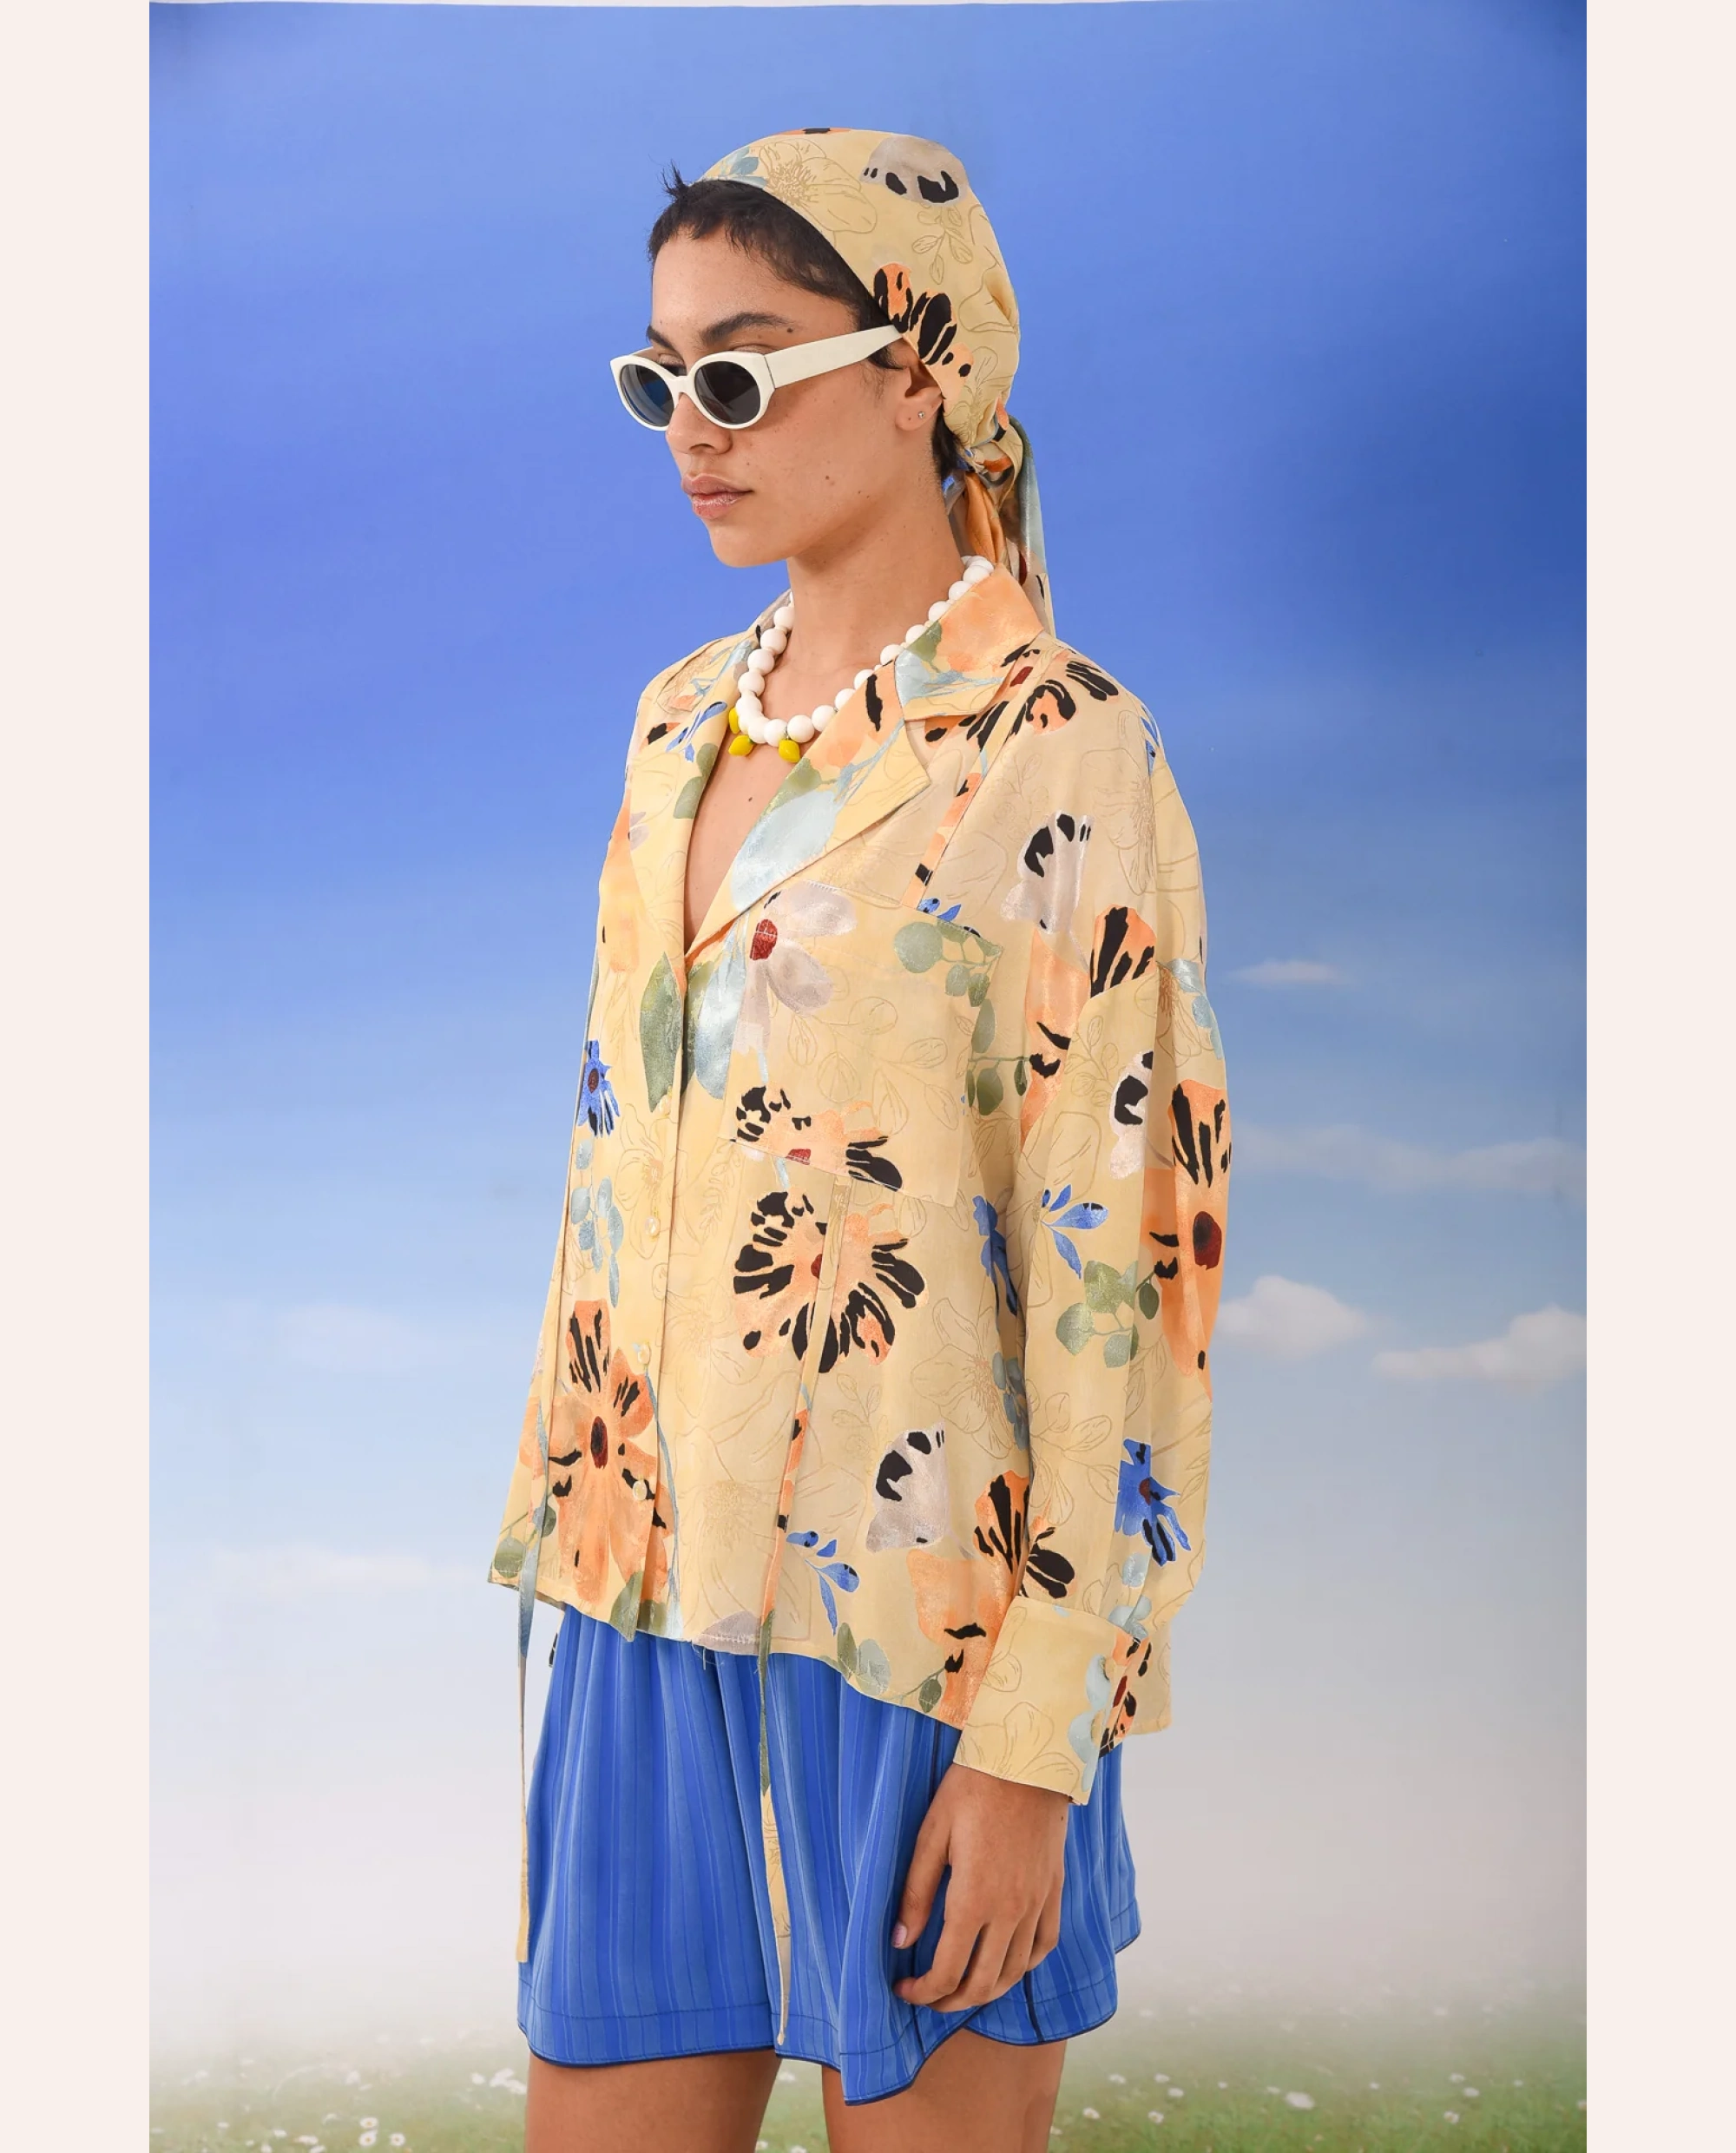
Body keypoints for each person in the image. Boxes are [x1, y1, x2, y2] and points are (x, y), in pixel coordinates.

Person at [487, 128, 1233, 2153]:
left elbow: (1125, 1268)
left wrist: (1040, 1734)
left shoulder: (1061, 743)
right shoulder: (674, 724)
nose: (690, 429)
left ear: (917, 369)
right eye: (658, 379)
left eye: (739, 372)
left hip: (925, 1631)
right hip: (642, 1602)